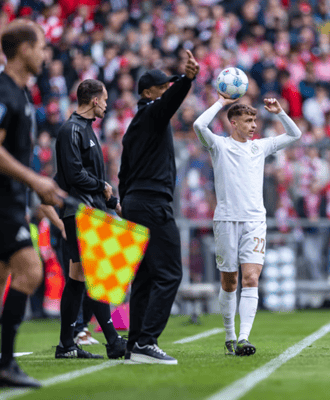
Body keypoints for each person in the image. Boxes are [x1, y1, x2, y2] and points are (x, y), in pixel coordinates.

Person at [0, 19, 66, 389]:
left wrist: (40, 192)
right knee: (31, 271)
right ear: (24, 49)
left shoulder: (21, 95)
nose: (45, 54)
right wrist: (34, 180)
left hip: (9, 199)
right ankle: (6, 363)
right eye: (41, 47)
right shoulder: (3, 94)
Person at [193, 95, 303, 356]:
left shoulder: (260, 147)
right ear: (233, 123)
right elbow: (199, 125)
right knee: (230, 281)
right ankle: (229, 335)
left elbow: (295, 134)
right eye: (247, 121)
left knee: (251, 278)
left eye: (254, 120)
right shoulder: (219, 145)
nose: (253, 125)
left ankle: (244, 337)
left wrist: (280, 112)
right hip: (226, 220)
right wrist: (220, 102)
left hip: (254, 221)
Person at [118, 50, 199, 365]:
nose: (167, 90)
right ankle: (146, 341)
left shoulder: (135, 125)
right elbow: (170, 103)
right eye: (163, 87)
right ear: (148, 93)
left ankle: (134, 343)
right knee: (170, 273)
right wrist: (187, 80)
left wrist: (124, 203)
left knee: (145, 277)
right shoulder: (153, 113)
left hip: (135, 203)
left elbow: (123, 172)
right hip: (152, 203)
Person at [51, 79, 126, 360]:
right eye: (104, 99)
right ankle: (113, 340)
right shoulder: (71, 129)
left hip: (90, 208)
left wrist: (113, 202)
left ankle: (66, 345)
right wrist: (102, 187)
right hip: (80, 211)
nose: (106, 104)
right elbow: (74, 175)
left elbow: (94, 180)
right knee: (97, 274)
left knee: (78, 279)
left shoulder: (86, 129)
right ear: (94, 100)